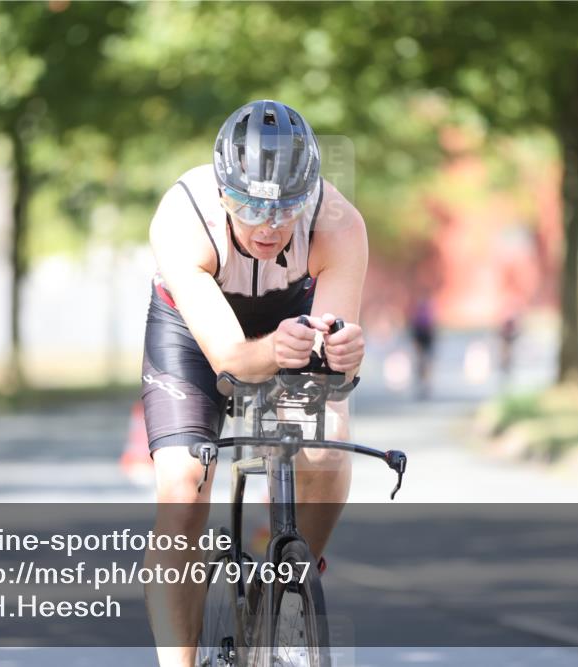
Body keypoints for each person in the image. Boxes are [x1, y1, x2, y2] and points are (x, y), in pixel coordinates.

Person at [140, 100, 367, 666]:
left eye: (287, 208)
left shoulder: (338, 224)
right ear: (223, 192)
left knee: (326, 449)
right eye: (249, 206)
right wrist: (273, 351)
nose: (268, 225)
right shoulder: (182, 217)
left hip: (292, 317)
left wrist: (343, 356)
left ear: (308, 196)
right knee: (183, 489)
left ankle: (287, 590)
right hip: (196, 334)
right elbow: (231, 360)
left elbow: (333, 368)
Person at [408, 293, 437, 399]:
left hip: (424, 340)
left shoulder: (421, 315)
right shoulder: (424, 315)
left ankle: (424, 383)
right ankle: (424, 383)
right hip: (424, 340)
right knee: (423, 363)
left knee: (423, 363)